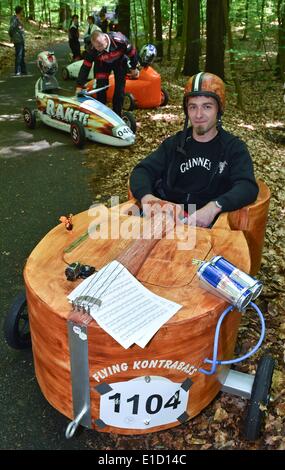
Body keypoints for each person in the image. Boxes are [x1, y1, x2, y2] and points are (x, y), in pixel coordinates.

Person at [129, 72, 259, 228]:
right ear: (186, 110)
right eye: (193, 107)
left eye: (207, 106)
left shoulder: (233, 147)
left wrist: (214, 207)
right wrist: (148, 198)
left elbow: (247, 186)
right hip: (166, 220)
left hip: (206, 227)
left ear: (219, 109)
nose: (198, 115)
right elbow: (142, 170)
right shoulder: (175, 144)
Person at [76, 30, 139, 116]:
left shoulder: (119, 40)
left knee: (119, 90)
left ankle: (117, 114)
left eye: (101, 46)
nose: (99, 49)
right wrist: (79, 85)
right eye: (97, 47)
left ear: (105, 39)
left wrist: (134, 67)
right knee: (101, 87)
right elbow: (86, 66)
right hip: (102, 65)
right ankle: (101, 113)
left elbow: (132, 52)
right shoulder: (92, 49)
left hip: (119, 62)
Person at [9, 5, 27, 76]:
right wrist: (12, 37)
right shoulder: (14, 19)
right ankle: (17, 71)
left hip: (21, 39)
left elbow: (20, 28)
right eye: (22, 11)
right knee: (19, 55)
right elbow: (11, 29)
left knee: (22, 55)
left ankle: (23, 70)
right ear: (19, 11)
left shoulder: (19, 18)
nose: (23, 12)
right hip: (17, 39)